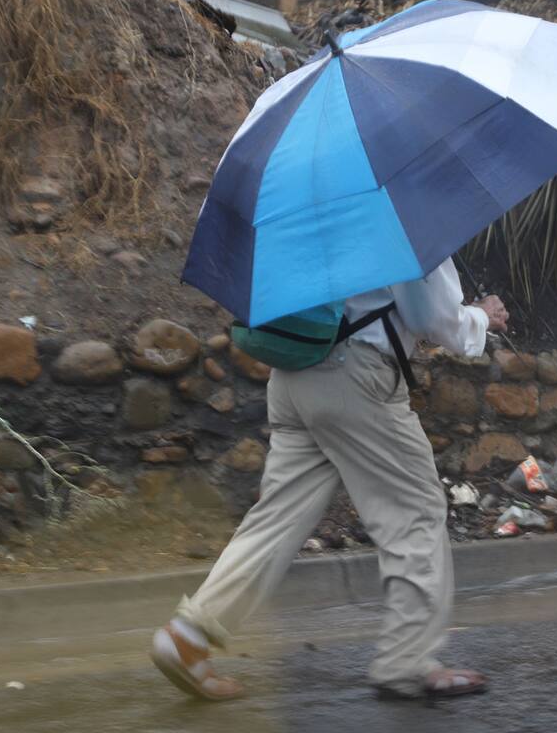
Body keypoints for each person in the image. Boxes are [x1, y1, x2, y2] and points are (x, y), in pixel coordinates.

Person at [151, 258, 509, 701]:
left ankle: (188, 634)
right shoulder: (388, 206)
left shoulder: (309, 208)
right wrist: (480, 317)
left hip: (295, 372)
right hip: (356, 375)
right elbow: (428, 316)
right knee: (414, 511)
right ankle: (408, 662)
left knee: (276, 519)